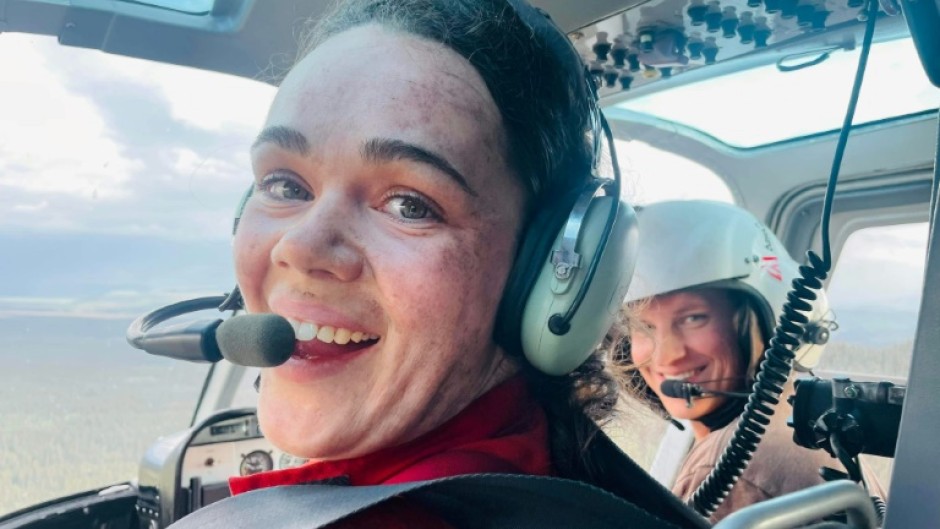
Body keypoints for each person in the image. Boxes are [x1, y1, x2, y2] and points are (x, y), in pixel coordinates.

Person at [208, 1, 703, 528]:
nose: (300, 248)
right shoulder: (549, 481)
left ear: (552, 276)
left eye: (409, 205)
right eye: (285, 186)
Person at [614, 199, 885, 522]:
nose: (667, 354)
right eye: (643, 327)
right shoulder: (804, 421)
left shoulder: (735, 468)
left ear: (764, 324)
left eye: (694, 318)